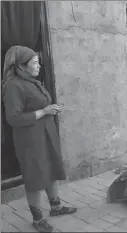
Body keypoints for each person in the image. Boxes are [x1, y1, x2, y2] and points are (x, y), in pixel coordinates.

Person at [2, 46, 77, 232]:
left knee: (50, 169)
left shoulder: (31, 82)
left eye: (38, 62)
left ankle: (56, 207)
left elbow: (37, 104)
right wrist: (44, 111)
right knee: (35, 177)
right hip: (30, 141)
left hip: (45, 135)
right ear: (21, 65)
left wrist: (51, 108)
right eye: (35, 63)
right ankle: (37, 220)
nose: (39, 66)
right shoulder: (13, 86)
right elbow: (13, 118)